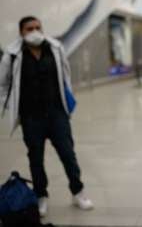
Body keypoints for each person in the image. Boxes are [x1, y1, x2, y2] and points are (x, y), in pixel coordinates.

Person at [0, 16, 94, 217]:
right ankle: (41, 195)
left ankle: (78, 191)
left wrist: (67, 101)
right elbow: (3, 84)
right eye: (29, 29)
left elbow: (66, 76)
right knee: (36, 159)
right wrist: (7, 105)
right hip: (31, 118)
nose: (34, 31)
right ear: (21, 32)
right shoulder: (13, 54)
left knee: (68, 155)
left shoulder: (55, 48)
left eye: (37, 27)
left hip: (57, 114)